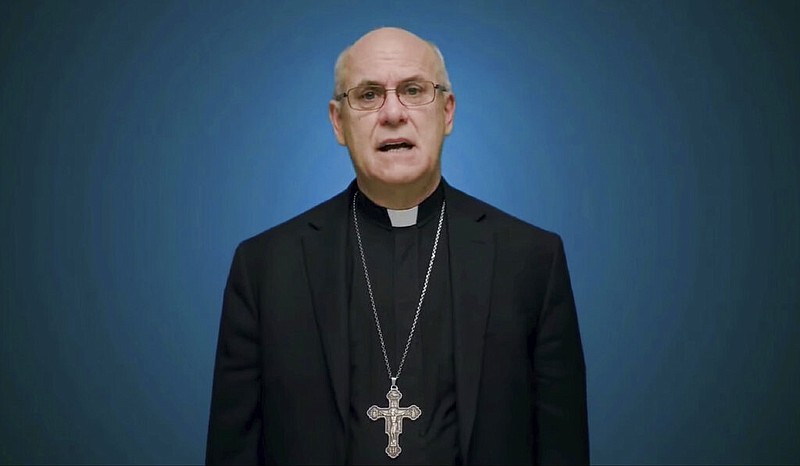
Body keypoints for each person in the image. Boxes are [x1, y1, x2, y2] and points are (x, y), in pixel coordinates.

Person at [206, 27, 589, 465]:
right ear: (338, 122)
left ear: (447, 112)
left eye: (412, 90)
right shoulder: (265, 269)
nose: (392, 113)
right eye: (368, 95)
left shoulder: (532, 260)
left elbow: (563, 449)